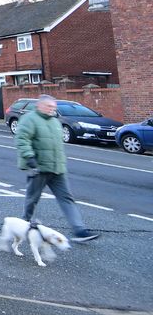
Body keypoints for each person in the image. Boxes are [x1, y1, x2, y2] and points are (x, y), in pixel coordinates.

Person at [14, 94, 99, 242]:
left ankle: (79, 230)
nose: (52, 109)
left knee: (67, 198)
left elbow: (57, 146)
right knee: (32, 199)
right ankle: (23, 224)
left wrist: (61, 163)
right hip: (39, 167)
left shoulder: (55, 122)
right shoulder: (29, 119)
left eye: (54, 107)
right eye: (49, 106)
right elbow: (22, 139)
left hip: (57, 169)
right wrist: (29, 157)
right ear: (40, 106)